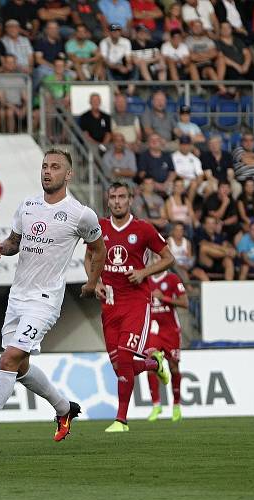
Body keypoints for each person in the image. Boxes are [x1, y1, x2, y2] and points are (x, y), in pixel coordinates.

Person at [0, 149, 105, 453]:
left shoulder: (80, 214)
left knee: (8, 359)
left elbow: (98, 249)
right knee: (20, 368)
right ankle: (64, 409)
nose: (48, 171)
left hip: (45, 300)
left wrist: (91, 281)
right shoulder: (28, 206)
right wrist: (0, 247)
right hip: (17, 296)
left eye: (56, 167)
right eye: (45, 166)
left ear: (69, 174)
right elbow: (14, 242)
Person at [86, 181, 174, 432]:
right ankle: (154, 363)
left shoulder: (143, 229)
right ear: (108, 199)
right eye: (112, 197)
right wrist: (95, 283)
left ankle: (121, 420)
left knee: (125, 357)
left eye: (121, 197)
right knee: (119, 367)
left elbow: (169, 258)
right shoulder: (99, 227)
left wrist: (144, 271)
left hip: (136, 302)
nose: (117, 201)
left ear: (130, 199)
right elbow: (89, 257)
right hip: (109, 304)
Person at [145, 267, 188, 422]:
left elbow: (185, 303)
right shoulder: (145, 279)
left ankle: (176, 405)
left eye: (159, 256)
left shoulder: (172, 279)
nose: (156, 260)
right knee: (149, 364)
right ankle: (156, 405)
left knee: (174, 366)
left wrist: (165, 298)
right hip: (153, 329)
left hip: (171, 331)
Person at [191, 214, 236, 281]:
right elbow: (205, 244)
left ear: (215, 225)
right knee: (204, 248)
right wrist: (226, 251)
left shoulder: (221, 236)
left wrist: (228, 250)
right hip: (204, 263)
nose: (211, 226)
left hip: (218, 263)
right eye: (208, 223)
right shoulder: (199, 234)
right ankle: (226, 254)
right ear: (204, 225)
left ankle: (228, 287)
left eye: (213, 223)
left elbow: (226, 246)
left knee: (228, 261)